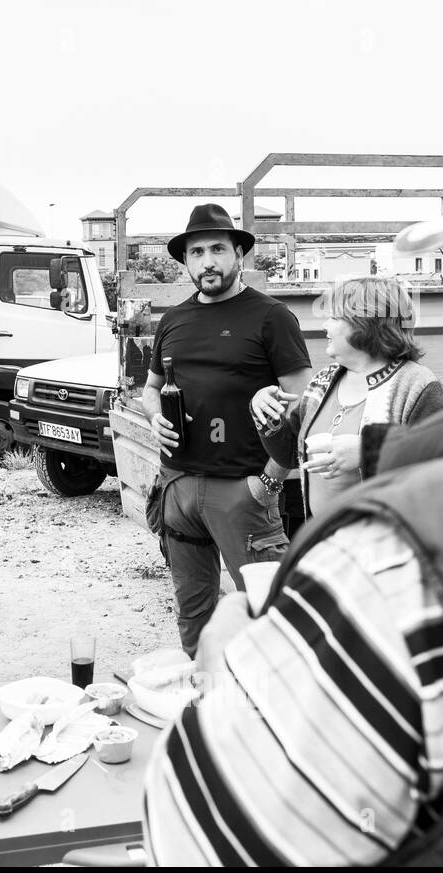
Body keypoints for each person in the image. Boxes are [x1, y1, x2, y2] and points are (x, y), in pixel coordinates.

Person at [142, 125, 443, 865]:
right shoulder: (181, 325)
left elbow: (205, 839)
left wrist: (241, 661)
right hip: (185, 485)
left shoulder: (399, 556)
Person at [143, 204, 312, 659]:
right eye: (196, 252)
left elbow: (306, 406)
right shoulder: (174, 320)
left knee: (270, 618)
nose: (207, 261)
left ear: (239, 254)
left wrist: (270, 481)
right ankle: (204, 706)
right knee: (193, 616)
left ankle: (271, 717)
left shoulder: (271, 317)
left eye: (218, 249)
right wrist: (154, 416)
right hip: (177, 488)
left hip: (244, 491)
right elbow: (151, 389)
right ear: (186, 261)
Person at [249, 275, 443, 517]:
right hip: (327, 543)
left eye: (334, 317)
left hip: (388, 545)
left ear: (364, 323)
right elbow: (290, 455)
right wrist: (265, 413)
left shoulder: (417, 385)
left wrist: (370, 451)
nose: (324, 326)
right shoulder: (323, 381)